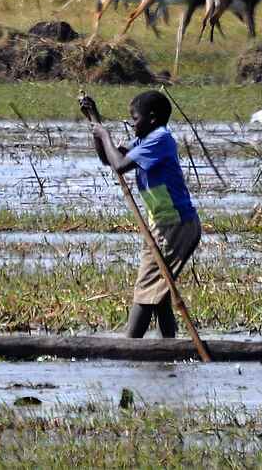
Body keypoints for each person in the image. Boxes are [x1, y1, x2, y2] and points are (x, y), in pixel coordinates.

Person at [79, 89, 201, 339]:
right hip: (161, 225)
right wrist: (95, 121)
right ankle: (168, 349)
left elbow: (120, 166)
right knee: (159, 294)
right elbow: (109, 159)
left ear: (152, 118)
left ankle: (129, 347)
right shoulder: (144, 140)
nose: (132, 124)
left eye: (135, 119)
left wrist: (104, 133)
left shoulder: (160, 139)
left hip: (176, 225)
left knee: (146, 292)